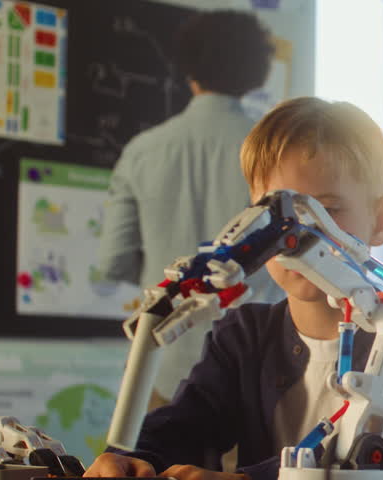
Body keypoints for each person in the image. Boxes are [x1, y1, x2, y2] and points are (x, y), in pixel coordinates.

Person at [84, 97, 383, 480]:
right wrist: (133, 461)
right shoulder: (244, 336)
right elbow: (186, 426)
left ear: (381, 219)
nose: (298, 238)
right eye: (276, 215)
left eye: (328, 210)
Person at [99, 9, 285, 405]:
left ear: (187, 69)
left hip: (161, 364)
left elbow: (113, 261)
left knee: (155, 466)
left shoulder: (141, 152)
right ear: (258, 71)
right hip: (255, 366)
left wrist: (163, 262)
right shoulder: (275, 154)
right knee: (247, 470)